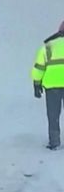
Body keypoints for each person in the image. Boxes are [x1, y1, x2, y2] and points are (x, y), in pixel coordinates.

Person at [31, 21, 64, 150]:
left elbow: (39, 67)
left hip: (52, 86)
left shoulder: (48, 47)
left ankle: (54, 142)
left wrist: (36, 83)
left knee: (53, 115)